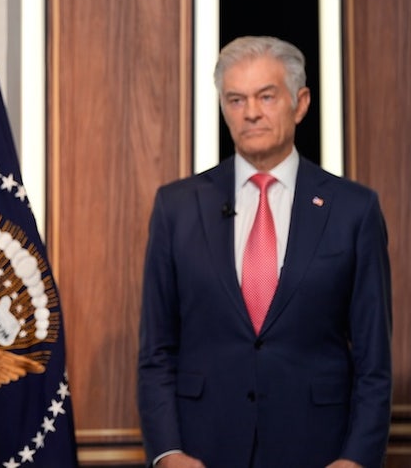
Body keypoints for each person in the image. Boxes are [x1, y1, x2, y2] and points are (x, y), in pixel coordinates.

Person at [137, 36, 392, 468]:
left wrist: (357, 459)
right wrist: (167, 452)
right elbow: (157, 350)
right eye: (235, 99)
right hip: (204, 450)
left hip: (320, 451)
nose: (250, 112)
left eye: (266, 96)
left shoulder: (354, 209)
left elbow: (374, 359)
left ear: (300, 102)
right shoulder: (176, 207)